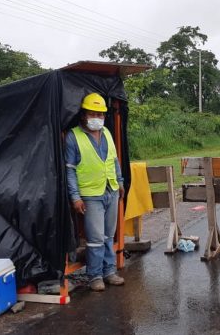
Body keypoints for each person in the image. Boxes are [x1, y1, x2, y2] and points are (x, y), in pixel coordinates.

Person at [65, 93, 125, 292]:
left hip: (111, 189)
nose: (97, 118)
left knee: (109, 236)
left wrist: (120, 181)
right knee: (96, 238)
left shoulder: (107, 133)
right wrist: (75, 197)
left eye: (100, 114)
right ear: (83, 114)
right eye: (93, 113)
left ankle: (109, 272)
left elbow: (114, 160)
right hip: (91, 194)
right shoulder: (73, 136)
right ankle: (95, 276)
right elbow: (70, 169)